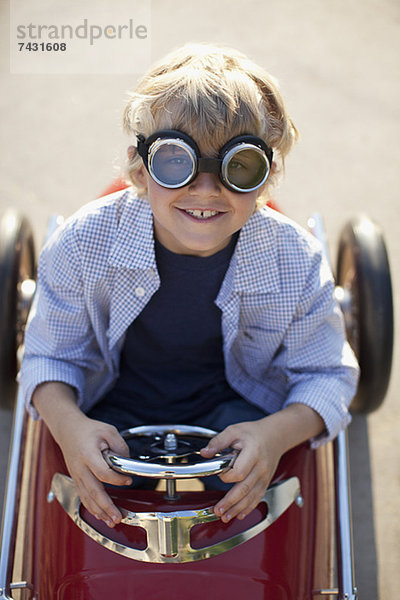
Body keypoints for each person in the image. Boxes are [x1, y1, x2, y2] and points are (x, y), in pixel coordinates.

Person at [19, 43, 359, 530]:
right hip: (110, 400)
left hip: (240, 410)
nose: (205, 190)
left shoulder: (296, 260)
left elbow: (328, 375)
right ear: (141, 167)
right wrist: (70, 427)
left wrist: (275, 434)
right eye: (176, 161)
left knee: (257, 512)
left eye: (237, 167)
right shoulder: (81, 243)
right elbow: (50, 357)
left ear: (267, 178)